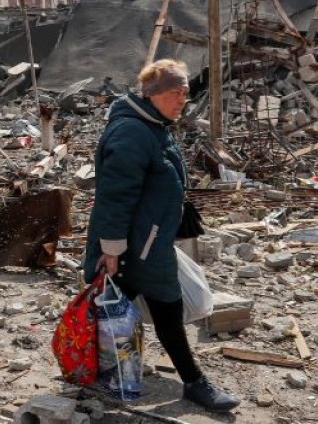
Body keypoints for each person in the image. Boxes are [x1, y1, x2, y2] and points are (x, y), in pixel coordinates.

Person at [82, 59, 239, 411]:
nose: (182, 99)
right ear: (152, 94)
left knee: (114, 310)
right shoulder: (132, 132)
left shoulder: (154, 126)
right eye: (175, 92)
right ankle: (194, 382)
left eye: (185, 92)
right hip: (134, 247)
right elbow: (114, 195)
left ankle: (102, 371)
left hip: (147, 240)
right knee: (163, 306)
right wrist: (111, 250)